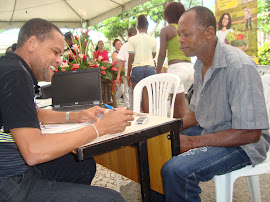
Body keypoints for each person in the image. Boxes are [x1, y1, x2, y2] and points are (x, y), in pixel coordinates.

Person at [0, 18, 133, 201]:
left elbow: (34, 113)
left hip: (12, 168)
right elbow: (33, 151)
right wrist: (101, 128)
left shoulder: (9, 66)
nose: (59, 60)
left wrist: (78, 116)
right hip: (9, 182)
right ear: (32, 43)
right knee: (113, 199)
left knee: (82, 165)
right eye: (55, 52)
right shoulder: (16, 74)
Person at [161, 6, 270, 201]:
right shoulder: (200, 64)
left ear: (209, 33)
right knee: (158, 147)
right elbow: (194, 113)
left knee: (177, 170)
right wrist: (166, 129)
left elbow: (251, 133)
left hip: (244, 144)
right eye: (179, 34)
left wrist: (193, 143)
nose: (180, 40)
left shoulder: (239, 66)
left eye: (186, 34)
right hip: (211, 130)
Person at [156, 2, 194, 118]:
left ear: (167, 15)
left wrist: (157, 72)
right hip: (190, 69)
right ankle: (180, 133)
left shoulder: (166, 30)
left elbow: (162, 54)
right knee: (181, 107)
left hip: (176, 70)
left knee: (179, 109)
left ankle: (185, 134)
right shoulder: (186, 30)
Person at [127, 15, 157, 113]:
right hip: (150, 68)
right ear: (147, 26)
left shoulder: (132, 39)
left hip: (137, 68)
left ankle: (138, 117)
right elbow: (153, 55)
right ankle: (148, 118)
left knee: (136, 94)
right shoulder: (153, 40)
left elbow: (131, 58)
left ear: (137, 27)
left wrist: (128, 74)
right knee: (146, 95)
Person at [116, 28, 137, 109]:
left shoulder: (125, 45)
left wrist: (118, 75)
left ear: (128, 35)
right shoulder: (140, 44)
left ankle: (131, 108)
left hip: (129, 71)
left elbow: (121, 61)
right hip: (139, 70)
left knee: (129, 91)